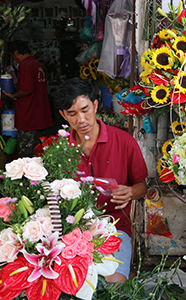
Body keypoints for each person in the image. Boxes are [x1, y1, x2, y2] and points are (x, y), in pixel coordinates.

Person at [53, 78, 148, 283]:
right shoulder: (58, 150)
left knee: (112, 283)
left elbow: (142, 185)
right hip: (72, 231)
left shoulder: (124, 141)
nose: (81, 119)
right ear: (63, 115)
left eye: (85, 110)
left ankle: (126, 276)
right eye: (72, 114)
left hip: (115, 226)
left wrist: (131, 192)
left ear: (96, 105)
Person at [3, 40, 53, 157]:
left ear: (16, 52)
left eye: (13, 56)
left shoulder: (25, 65)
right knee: (37, 151)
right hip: (38, 114)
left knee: (26, 154)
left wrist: (13, 96)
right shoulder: (36, 63)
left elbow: (27, 89)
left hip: (29, 115)